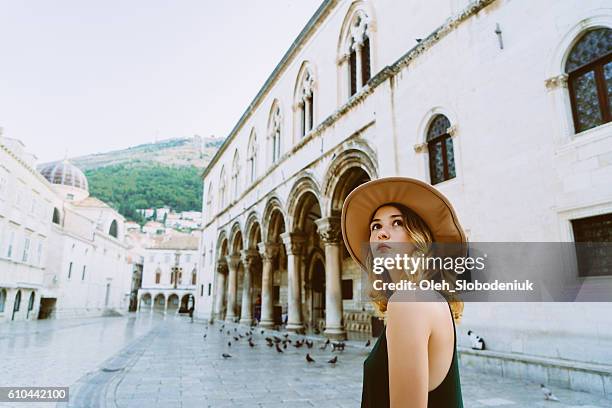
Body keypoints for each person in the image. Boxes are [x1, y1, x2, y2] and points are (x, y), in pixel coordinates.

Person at [341, 177, 465, 408]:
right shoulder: (424, 297)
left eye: (396, 223)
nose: (382, 233)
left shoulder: (409, 300)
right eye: (375, 226)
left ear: (419, 237)